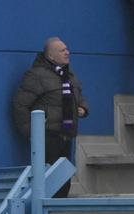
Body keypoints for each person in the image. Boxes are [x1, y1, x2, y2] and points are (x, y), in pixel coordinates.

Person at [12, 37, 90, 198]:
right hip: (48, 136)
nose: (67, 53)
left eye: (67, 49)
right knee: (49, 181)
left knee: (64, 180)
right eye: (62, 50)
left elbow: (78, 96)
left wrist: (82, 108)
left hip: (67, 135)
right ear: (51, 56)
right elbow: (20, 105)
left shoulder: (69, 75)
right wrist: (33, 135)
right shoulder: (36, 76)